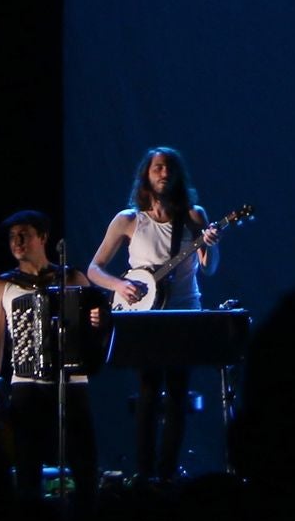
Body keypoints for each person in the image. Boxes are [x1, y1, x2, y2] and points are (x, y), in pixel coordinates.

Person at [86, 147, 224, 483]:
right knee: (148, 391)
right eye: (157, 168)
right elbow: (94, 268)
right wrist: (119, 285)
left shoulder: (193, 216)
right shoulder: (130, 220)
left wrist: (212, 243)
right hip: (143, 317)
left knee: (177, 392)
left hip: (183, 313)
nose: (163, 173)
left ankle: (166, 475)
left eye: (168, 168)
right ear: (146, 176)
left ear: (177, 176)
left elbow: (209, 269)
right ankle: (145, 473)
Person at [0, 210, 99, 515]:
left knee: (84, 462)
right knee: (27, 464)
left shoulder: (72, 278)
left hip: (71, 382)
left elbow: (97, 327)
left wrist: (97, 321)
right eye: (12, 237)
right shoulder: (4, 286)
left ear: (43, 237)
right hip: (26, 385)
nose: (17, 241)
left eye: (24, 234)